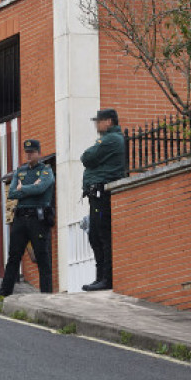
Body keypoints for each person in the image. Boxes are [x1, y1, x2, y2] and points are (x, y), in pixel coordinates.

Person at [0, 139, 54, 300]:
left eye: (32, 152)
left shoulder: (46, 170)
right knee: (13, 256)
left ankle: (46, 296)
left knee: (42, 256)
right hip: (21, 218)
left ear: (39, 152)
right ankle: (4, 292)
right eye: (27, 152)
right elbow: (12, 193)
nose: (29, 155)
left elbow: (42, 187)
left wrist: (23, 188)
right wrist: (30, 189)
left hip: (38, 219)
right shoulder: (20, 171)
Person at [81, 109, 126, 291]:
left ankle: (106, 279)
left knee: (102, 235)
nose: (96, 125)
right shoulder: (109, 139)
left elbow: (87, 157)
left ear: (108, 122)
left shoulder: (111, 139)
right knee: (95, 235)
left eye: (98, 122)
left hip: (102, 193)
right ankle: (100, 277)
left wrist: (91, 156)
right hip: (96, 194)